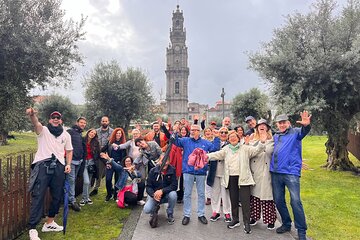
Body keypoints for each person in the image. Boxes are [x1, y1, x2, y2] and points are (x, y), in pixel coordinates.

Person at [207, 130, 267, 234]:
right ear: (228, 140)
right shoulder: (226, 149)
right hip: (231, 178)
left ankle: (247, 223)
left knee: (245, 202)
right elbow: (217, 154)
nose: (233, 138)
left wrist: (262, 142)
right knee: (233, 200)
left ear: (238, 138)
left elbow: (257, 150)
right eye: (230, 137)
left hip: (244, 179)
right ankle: (235, 220)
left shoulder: (245, 148)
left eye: (234, 136)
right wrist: (206, 156)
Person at [26, 109, 72, 240]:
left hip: (59, 166)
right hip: (43, 165)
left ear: (61, 120)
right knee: (38, 196)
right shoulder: (43, 130)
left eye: (58, 117)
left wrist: (68, 164)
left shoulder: (65, 135)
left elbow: (69, 151)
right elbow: (36, 124)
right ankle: (33, 228)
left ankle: (49, 222)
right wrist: (32, 115)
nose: (56, 119)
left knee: (57, 196)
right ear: (50, 120)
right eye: (53, 117)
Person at [271, 111, 311, 240]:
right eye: (280, 123)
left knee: (295, 201)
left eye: (284, 122)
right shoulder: (276, 136)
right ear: (277, 124)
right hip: (276, 173)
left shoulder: (296, 132)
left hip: (291, 173)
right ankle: (286, 223)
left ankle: (301, 231)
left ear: (288, 123)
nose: (282, 125)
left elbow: (304, 131)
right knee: (278, 200)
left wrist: (306, 125)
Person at [174, 124, 220, 226]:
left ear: (199, 132)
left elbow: (214, 149)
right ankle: (186, 215)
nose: (193, 131)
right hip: (188, 171)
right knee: (187, 194)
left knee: (201, 194)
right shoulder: (185, 140)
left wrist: (216, 137)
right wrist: (175, 132)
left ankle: (201, 214)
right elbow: (175, 141)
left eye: (195, 130)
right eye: (192, 129)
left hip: (201, 172)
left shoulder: (205, 142)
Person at [248, 119, 277, 230]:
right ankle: (254, 217)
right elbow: (251, 153)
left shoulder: (272, 140)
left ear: (267, 128)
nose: (262, 127)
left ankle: (270, 220)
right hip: (255, 170)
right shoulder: (252, 139)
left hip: (267, 170)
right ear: (257, 128)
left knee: (267, 196)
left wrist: (265, 142)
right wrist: (260, 143)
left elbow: (269, 152)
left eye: (264, 125)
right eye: (260, 125)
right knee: (254, 195)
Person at [143, 156, 178, 228]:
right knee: (147, 210)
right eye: (162, 161)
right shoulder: (152, 171)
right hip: (155, 195)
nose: (164, 163)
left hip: (166, 195)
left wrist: (162, 191)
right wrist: (154, 195)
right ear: (159, 161)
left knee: (173, 194)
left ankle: (170, 213)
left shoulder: (172, 170)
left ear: (169, 161)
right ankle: (154, 211)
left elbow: (174, 186)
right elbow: (148, 186)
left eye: (166, 161)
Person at [207, 127, 232, 223]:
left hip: (226, 172)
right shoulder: (215, 142)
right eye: (221, 132)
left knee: (226, 193)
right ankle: (215, 211)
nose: (223, 134)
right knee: (215, 192)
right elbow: (213, 151)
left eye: (225, 132)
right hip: (215, 171)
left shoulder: (231, 143)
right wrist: (217, 139)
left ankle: (227, 212)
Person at [66, 116, 87, 211]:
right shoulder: (70, 132)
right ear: (77, 122)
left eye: (84, 123)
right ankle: (72, 201)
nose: (83, 124)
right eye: (81, 122)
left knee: (73, 180)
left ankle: (70, 198)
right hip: (72, 161)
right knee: (71, 180)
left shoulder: (79, 133)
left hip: (79, 161)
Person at [90, 116, 114, 196]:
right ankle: (96, 188)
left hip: (109, 154)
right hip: (99, 154)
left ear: (108, 122)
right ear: (101, 122)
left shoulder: (112, 131)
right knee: (99, 172)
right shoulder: (96, 131)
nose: (104, 122)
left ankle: (111, 187)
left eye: (106, 121)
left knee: (110, 171)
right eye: (103, 121)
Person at [102, 128, 127, 201]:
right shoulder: (110, 143)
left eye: (120, 133)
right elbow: (101, 152)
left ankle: (116, 195)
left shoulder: (123, 144)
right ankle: (109, 194)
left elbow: (125, 156)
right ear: (114, 134)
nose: (118, 135)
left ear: (122, 135)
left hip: (119, 164)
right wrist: (106, 161)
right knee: (108, 179)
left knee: (117, 179)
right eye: (117, 133)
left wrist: (122, 164)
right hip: (110, 163)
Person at [80, 128, 100, 206]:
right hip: (84, 162)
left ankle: (87, 198)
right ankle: (83, 198)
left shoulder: (96, 142)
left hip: (92, 163)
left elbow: (98, 153)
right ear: (88, 132)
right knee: (86, 181)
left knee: (89, 181)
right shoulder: (82, 140)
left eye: (94, 134)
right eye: (91, 132)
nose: (92, 134)